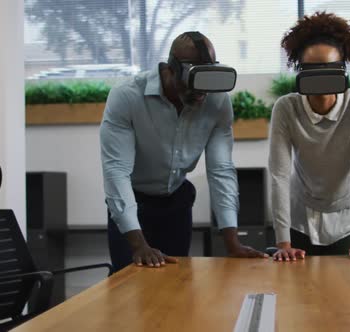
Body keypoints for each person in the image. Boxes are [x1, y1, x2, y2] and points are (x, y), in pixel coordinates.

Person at [101, 31, 267, 272]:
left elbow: (221, 170)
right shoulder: (127, 97)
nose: (201, 95)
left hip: (177, 202)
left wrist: (233, 243)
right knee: (130, 288)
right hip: (133, 202)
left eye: (205, 85)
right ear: (170, 70)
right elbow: (116, 172)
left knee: (176, 286)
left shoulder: (216, 100)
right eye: (192, 84)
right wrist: (138, 245)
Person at [269, 12, 350, 262]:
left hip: (348, 222)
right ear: (299, 71)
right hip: (299, 224)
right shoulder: (286, 107)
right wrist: (283, 242)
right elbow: (279, 175)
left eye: (329, 69)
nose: (320, 77)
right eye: (311, 70)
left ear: (342, 70)